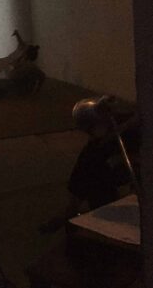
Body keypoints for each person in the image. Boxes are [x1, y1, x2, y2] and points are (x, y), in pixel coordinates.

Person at [39, 96, 141, 233]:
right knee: (90, 162)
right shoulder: (101, 142)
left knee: (98, 174)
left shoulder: (133, 127)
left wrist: (125, 158)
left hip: (135, 167)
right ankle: (73, 211)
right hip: (115, 165)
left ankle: (86, 215)